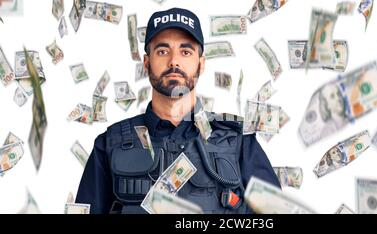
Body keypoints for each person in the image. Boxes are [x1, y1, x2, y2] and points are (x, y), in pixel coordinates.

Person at [75, 7, 280, 214]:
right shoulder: (109, 144)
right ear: (147, 63)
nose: (174, 61)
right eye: (162, 51)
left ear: (201, 64)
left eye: (186, 51)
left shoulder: (240, 141)